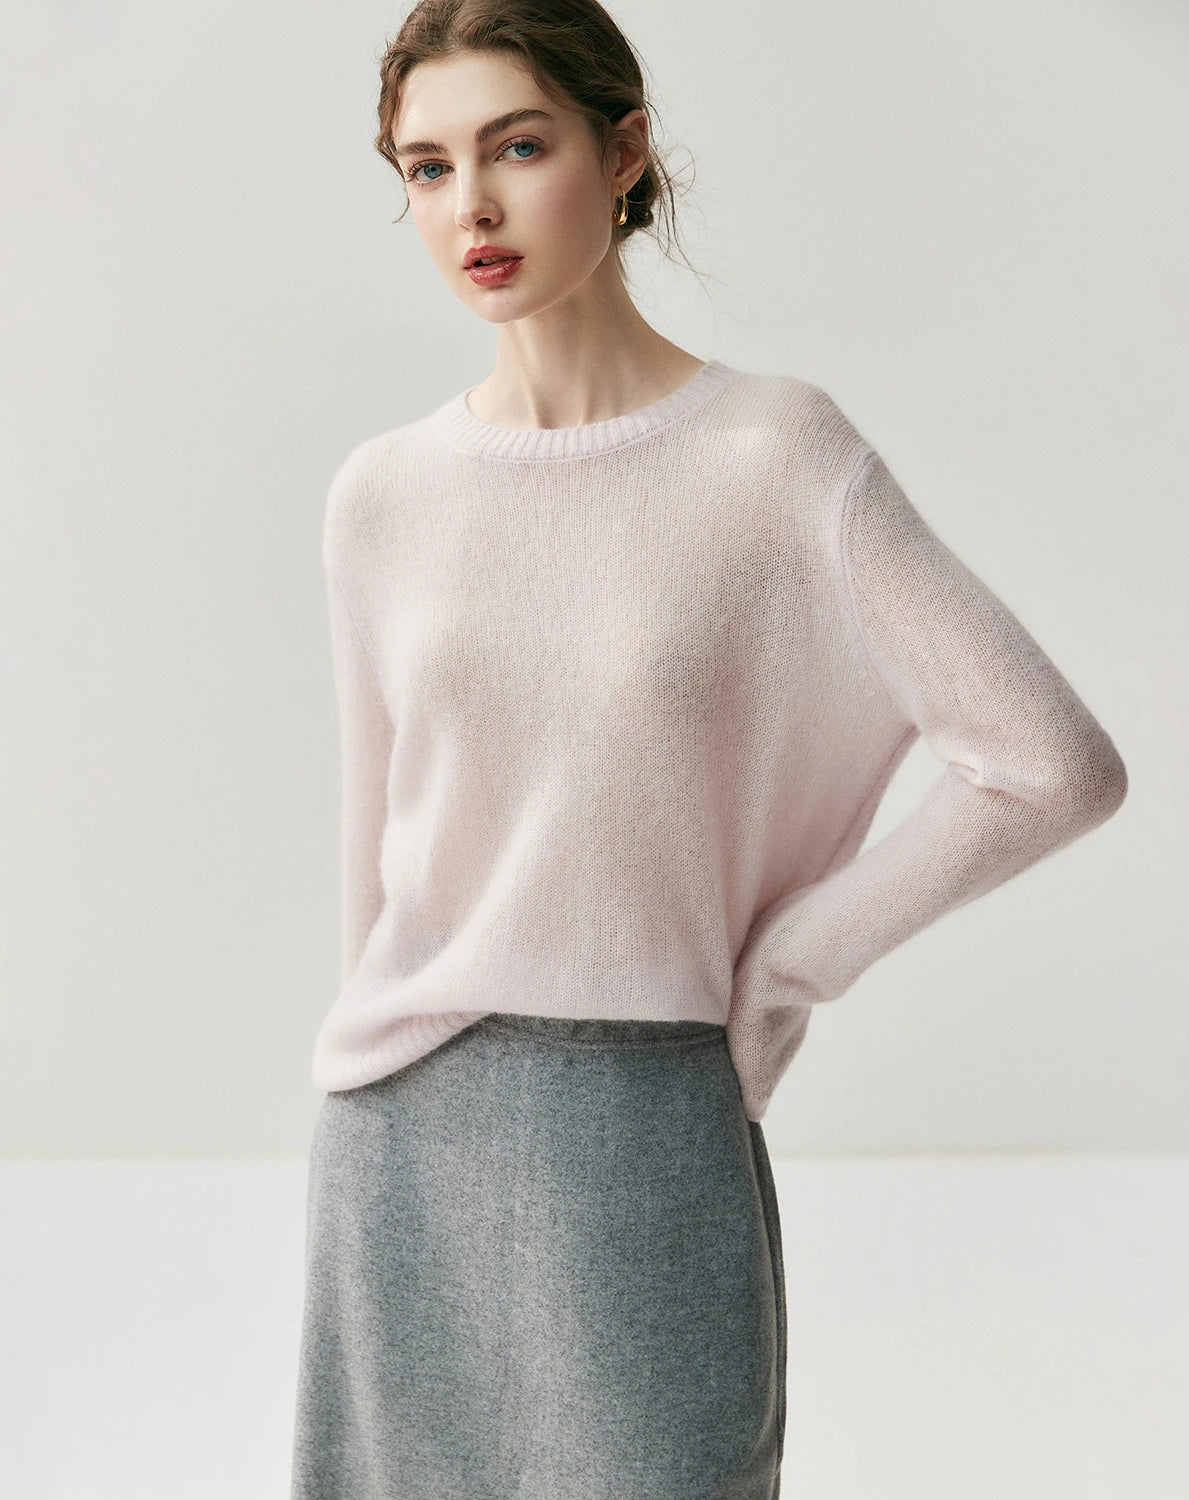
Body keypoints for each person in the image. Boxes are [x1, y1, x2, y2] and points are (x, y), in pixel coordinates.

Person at [290, 3, 1129, 1497]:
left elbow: (1051, 763)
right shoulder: (384, 496)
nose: (469, 206)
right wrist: (354, 1072)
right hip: (397, 1145)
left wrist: (793, 961)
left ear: (624, 153)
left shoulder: (774, 456)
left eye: (516, 147)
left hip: (645, 1123)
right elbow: (375, 863)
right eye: (426, 167)